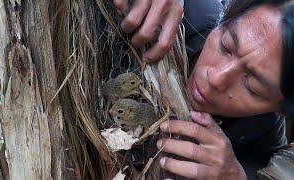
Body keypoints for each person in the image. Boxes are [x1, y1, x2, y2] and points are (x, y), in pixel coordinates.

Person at [113, 0, 294, 179]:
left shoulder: (262, 133)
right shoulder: (187, 12)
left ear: (280, 109)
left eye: (252, 87)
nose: (216, 78)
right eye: (225, 45)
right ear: (223, 19)